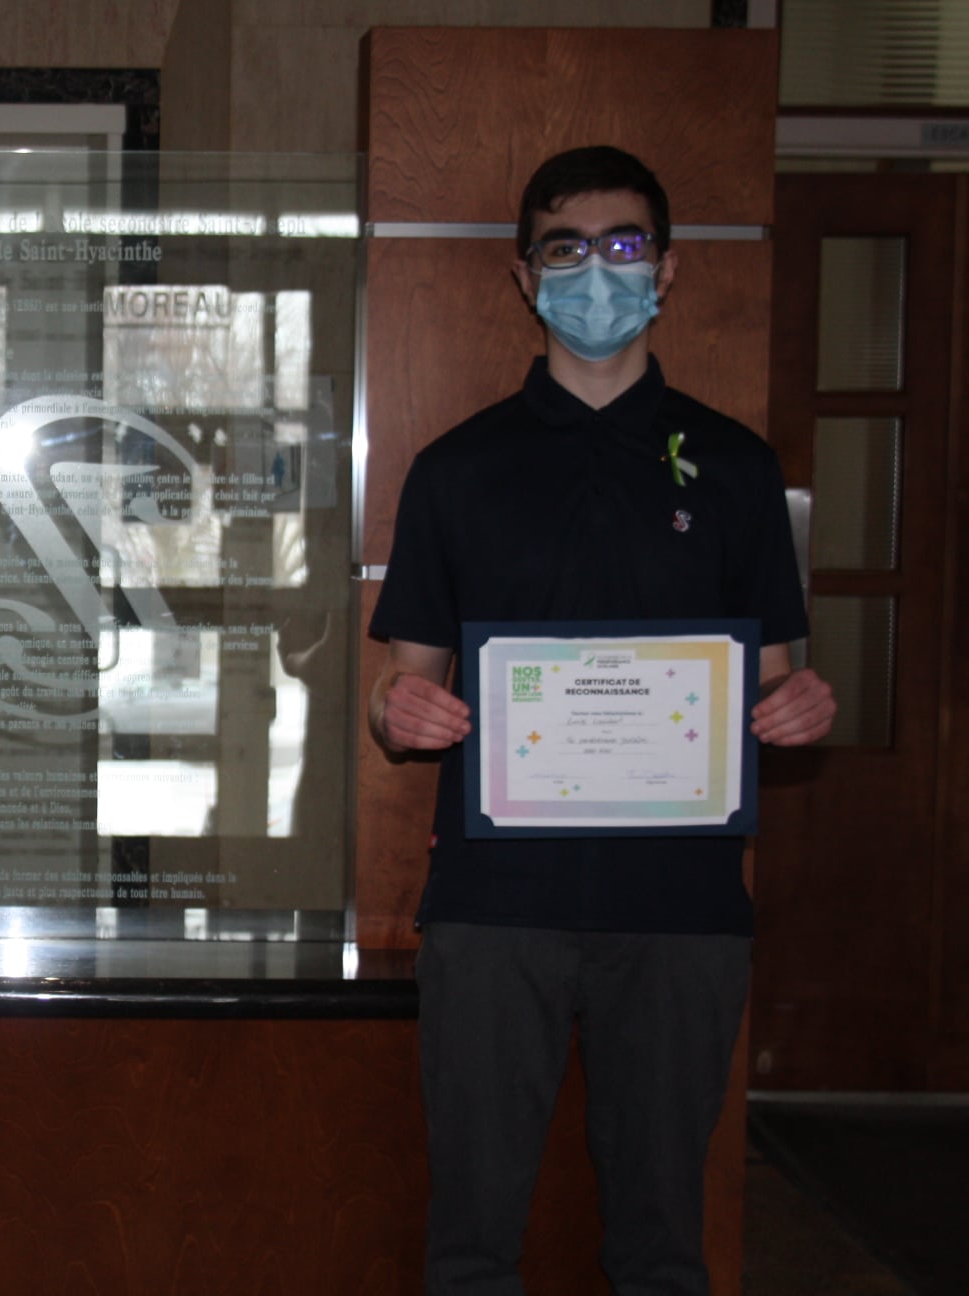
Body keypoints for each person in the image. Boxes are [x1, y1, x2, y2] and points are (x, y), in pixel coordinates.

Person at [366, 145, 836, 1295]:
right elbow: (397, 689)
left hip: (680, 910)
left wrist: (797, 708)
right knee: (472, 1242)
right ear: (526, 276)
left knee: (664, 1246)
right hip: (494, 906)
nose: (596, 272)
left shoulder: (734, 466)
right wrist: (397, 708)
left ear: (666, 269)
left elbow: (774, 680)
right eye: (565, 249)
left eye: (624, 246)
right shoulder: (456, 468)